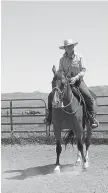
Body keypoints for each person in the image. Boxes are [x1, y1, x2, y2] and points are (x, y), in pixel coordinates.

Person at [46, 39, 99, 128]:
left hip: (78, 82)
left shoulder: (79, 57)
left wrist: (76, 77)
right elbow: (61, 71)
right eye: (67, 46)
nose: (69, 47)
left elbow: (83, 70)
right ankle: (50, 117)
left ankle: (91, 118)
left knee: (89, 97)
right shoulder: (62, 60)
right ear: (65, 48)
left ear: (73, 47)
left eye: (70, 46)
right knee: (51, 95)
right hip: (65, 82)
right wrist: (62, 76)